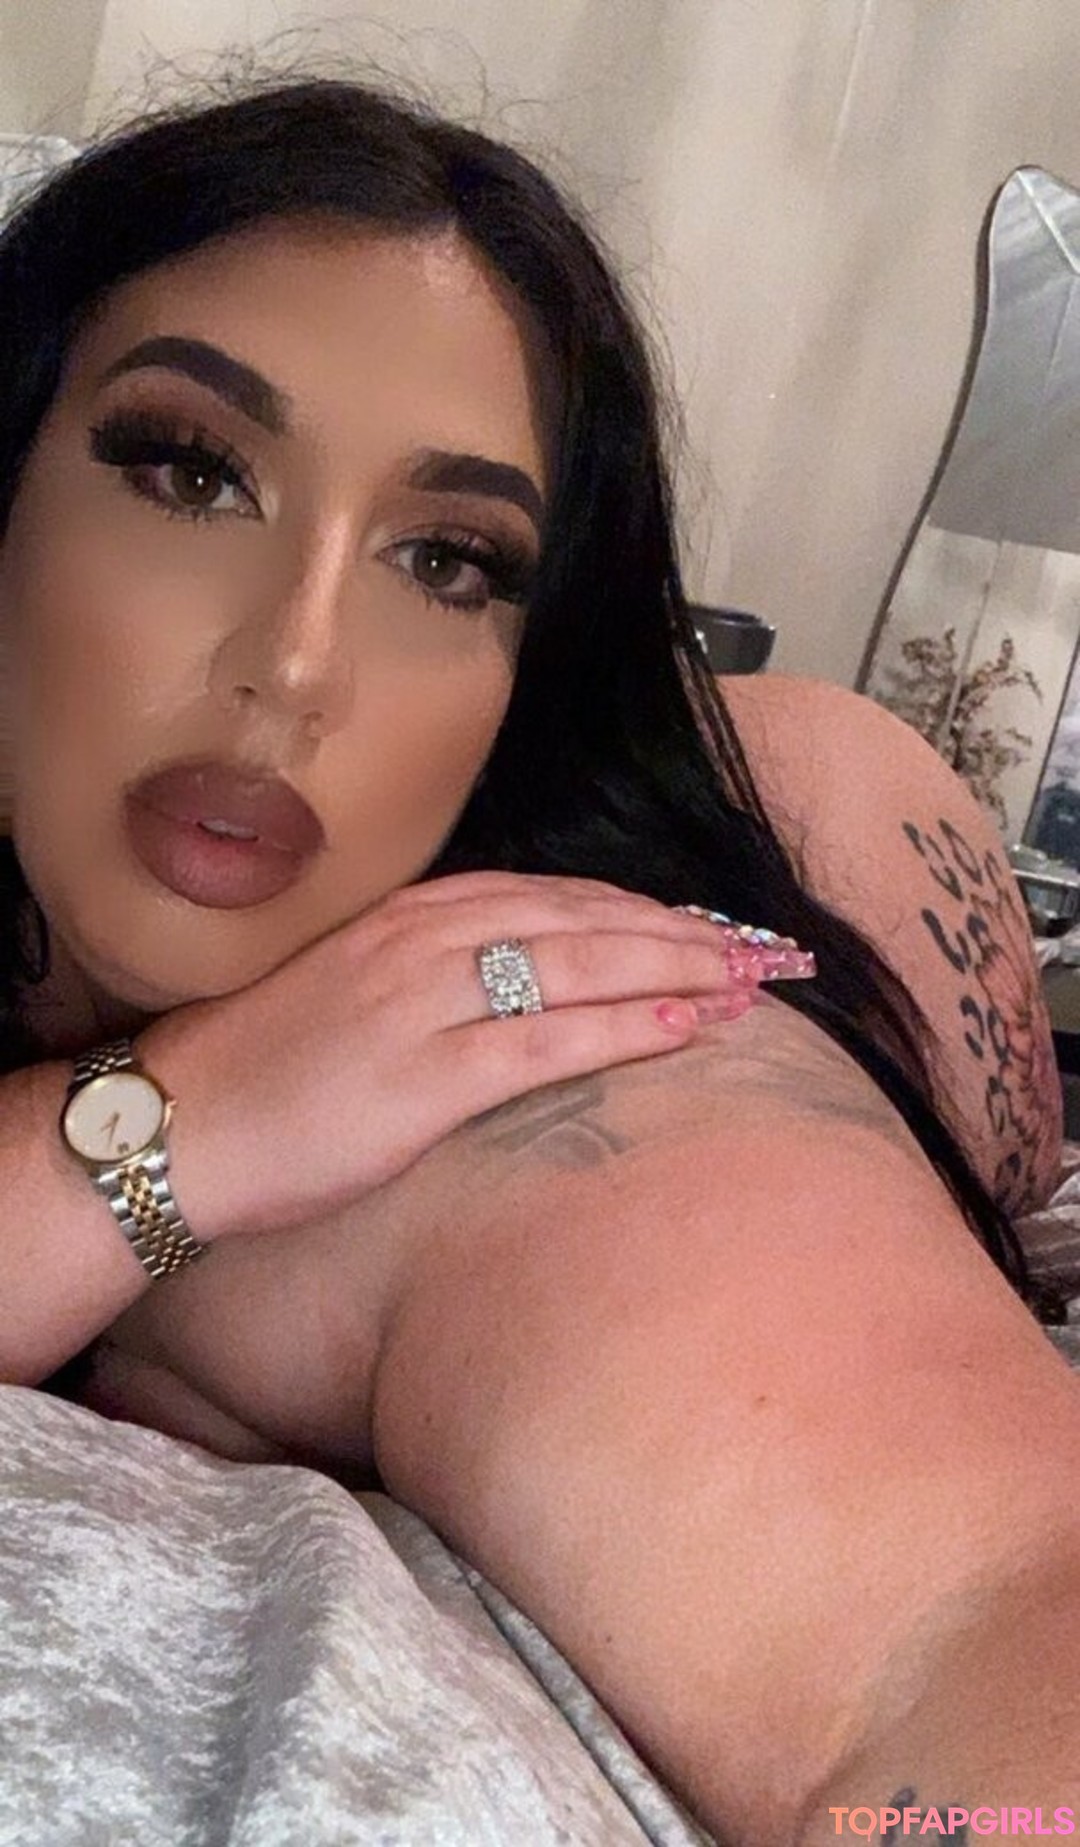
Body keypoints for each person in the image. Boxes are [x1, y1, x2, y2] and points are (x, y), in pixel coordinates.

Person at [0, 70, 1078, 1846]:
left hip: (857, 855)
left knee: (831, 775)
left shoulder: (563, 1063)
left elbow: (976, 1631)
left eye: (447, 560)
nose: (298, 663)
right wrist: (168, 1128)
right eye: (192, 472)